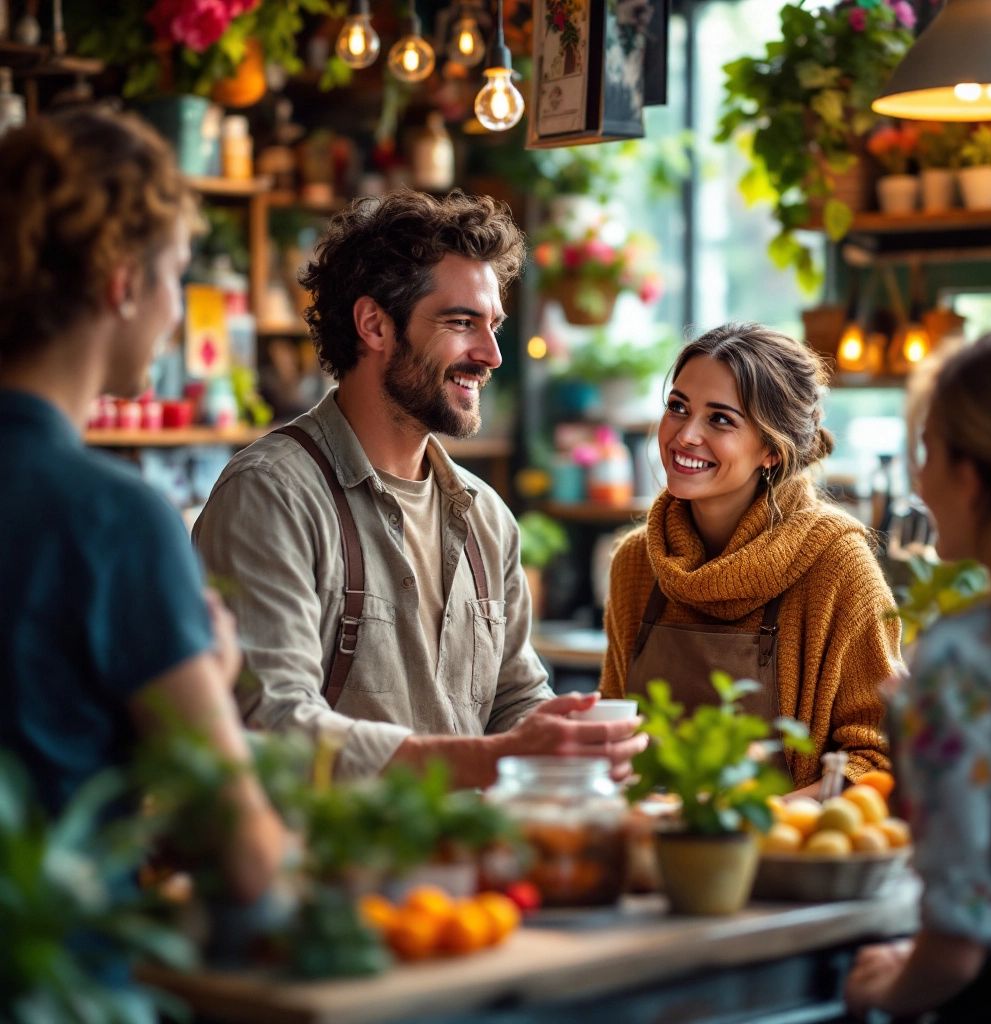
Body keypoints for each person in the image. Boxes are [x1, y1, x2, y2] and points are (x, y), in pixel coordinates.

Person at [193, 189, 645, 788]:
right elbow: (272, 726)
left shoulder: (486, 516)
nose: (490, 355)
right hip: (324, 871)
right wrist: (495, 758)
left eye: (493, 326)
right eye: (462, 323)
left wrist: (567, 737)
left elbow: (514, 700)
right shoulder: (272, 496)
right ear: (375, 325)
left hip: (470, 872)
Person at [0, 108, 286, 907]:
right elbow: (242, 852)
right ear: (123, 282)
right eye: (177, 273)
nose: (175, 309)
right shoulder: (113, 518)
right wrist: (212, 674)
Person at [601, 323, 900, 794]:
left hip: (782, 855)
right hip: (648, 848)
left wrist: (751, 828)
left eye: (720, 419)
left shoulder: (836, 566)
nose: (685, 436)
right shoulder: (637, 562)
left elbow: (878, 759)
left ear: (770, 449)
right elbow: (614, 730)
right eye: (677, 407)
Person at [845, 330, 991, 1021]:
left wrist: (883, 990)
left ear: (972, 477)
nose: (919, 481)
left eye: (927, 454)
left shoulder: (960, 663)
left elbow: (957, 945)